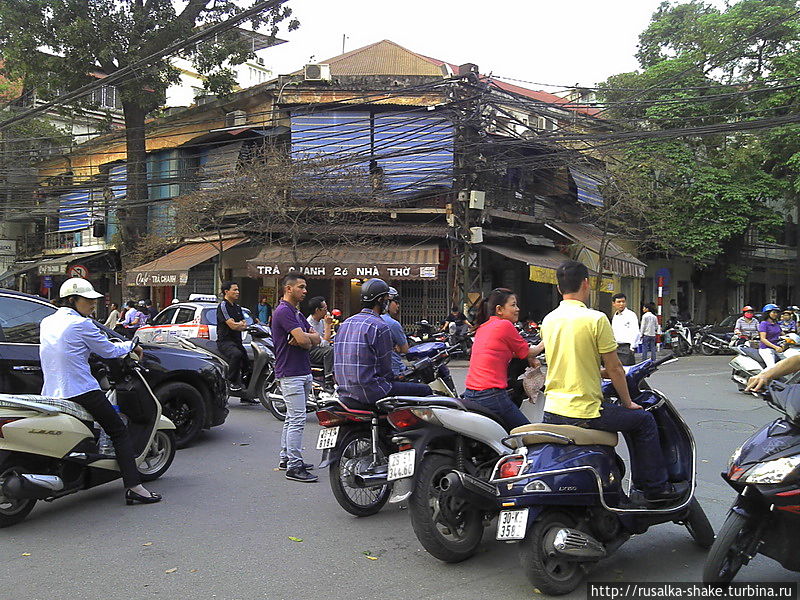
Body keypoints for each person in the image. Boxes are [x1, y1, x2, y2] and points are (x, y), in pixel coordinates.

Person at [541, 261, 680, 503]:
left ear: (558, 288)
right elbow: (615, 368)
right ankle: (655, 488)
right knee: (644, 420)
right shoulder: (595, 319)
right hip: (584, 411)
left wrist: (600, 372)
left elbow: (575, 361)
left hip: (552, 410)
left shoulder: (549, 319)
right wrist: (627, 402)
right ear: (586, 284)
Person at [40, 278, 160, 505]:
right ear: (72, 300)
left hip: (52, 391)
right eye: (88, 300)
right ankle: (134, 487)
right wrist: (132, 345)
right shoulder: (81, 324)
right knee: (117, 430)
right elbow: (108, 350)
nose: (93, 304)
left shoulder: (47, 322)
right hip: (80, 389)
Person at [335, 278, 431, 409]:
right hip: (372, 391)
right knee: (425, 390)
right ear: (380, 300)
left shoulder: (345, 323)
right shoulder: (380, 326)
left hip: (344, 391)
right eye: (387, 299)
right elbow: (386, 370)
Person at [463, 288, 543, 429]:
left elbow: (502, 352)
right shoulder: (504, 325)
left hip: (471, 394)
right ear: (499, 309)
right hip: (491, 395)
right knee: (526, 433)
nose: (517, 309)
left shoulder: (484, 327)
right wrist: (547, 341)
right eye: (513, 305)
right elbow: (529, 352)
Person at [272, 273, 320, 483]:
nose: (305, 291)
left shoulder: (296, 313)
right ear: (288, 289)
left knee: (292, 418)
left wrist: (305, 339)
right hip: (291, 373)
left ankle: (286, 458)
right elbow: (303, 339)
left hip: (301, 371)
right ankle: (294, 465)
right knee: (298, 419)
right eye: (301, 287)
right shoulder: (283, 311)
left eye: (305, 287)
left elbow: (315, 339)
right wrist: (304, 339)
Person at [216, 282, 256, 403]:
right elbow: (232, 325)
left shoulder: (238, 308)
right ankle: (231, 382)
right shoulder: (223, 306)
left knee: (249, 364)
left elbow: (244, 323)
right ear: (226, 292)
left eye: (238, 289)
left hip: (237, 341)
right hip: (225, 341)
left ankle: (246, 395)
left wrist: (238, 324)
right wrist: (238, 325)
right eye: (235, 290)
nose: (238, 292)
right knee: (236, 355)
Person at [306, 295, 335, 391]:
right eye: (325, 309)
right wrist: (328, 325)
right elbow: (324, 344)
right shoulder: (309, 323)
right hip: (311, 351)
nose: (327, 311)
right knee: (329, 351)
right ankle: (328, 380)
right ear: (317, 310)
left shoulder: (321, 321)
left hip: (320, 348)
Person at [381, 287, 410, 378]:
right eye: (396, 302)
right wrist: (395, 347)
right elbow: (405, 350)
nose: (398, 306)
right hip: (393, 371)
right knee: (425, 389)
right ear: (387, 302)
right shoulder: (392, 324)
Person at [611, 293, 639, 366]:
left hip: (626, 348)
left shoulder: (631, 315)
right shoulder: (615, 316)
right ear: (614, 304)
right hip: (616, 347)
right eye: (619, 302)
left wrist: (632, 348)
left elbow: (635, 332)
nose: (621, 304)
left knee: (626, 372)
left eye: (623, 302)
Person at [758, 304, 784, 369]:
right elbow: (763, 339)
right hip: (766, 349)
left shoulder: (776, 324)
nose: (776, 314)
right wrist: (775, 347)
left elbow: (783, 335)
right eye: (774, 312)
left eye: (777, 313)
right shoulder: (764, 324)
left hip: (777, 348)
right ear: (768, 313)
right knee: (772, 368)